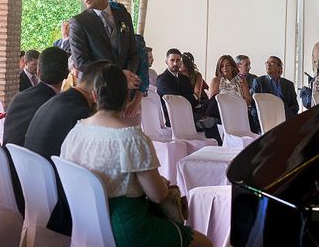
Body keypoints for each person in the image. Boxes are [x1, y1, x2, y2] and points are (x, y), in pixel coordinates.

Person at [60, 62, 212, 247]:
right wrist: (163, 184)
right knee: (205, 242)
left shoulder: (75, 131)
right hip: (129, 229)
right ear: (127, 98)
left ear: (94, 95)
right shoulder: (131, 138)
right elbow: (157, 195)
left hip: (87, 224)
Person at [24, 59, 97, 236]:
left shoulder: (58, 100)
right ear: (97, 91)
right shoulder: (81, 113)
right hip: (59, 206)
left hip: (34, 193)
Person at [3, 46, 69, 214]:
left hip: (9, 177)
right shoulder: (57, 108)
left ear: (38, 71)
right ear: (67, 74)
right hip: (34, 190)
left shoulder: (20, 97)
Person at [69, 0, 140, 115]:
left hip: (123, 93)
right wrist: (118, 75)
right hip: (95, 93)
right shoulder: (79, 22)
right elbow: (81, 61)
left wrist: (129, 77)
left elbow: (133, 52)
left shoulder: (123, 16)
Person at [156, 49, 220, 144]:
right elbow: (176, 101)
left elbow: (193, 101)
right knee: (210, 122)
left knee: (215, 98)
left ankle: (205, 119)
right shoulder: (162, 79)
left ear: (181, 62)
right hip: (174, 115)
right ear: (166, 62)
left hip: (191, 110)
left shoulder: (184, 79)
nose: (175, 63)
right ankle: (207, 124)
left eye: (178, 60)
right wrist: (191, 97)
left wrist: (190, 98)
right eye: (172, 60)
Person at [206, 54, 256, 132]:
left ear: (233, 66)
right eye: (222, 66)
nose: (225, 68)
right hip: (221, 110)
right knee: (215, 99)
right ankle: (208, 120)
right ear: (219, 68)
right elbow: (212, 101)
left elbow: (248, 99)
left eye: (227, 65)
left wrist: (235, 104)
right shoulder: (216, 80)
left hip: (238, 109)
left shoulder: (242, 80)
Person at [251, 56, 299, 120]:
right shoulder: (259, 82)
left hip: (285, 118)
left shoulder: (288, 84)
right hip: (265, 117)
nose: (268, 64)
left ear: (279, 68)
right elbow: (254, 104)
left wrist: (286, 115)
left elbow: (295, 106)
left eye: (272, 62)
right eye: (267, 62)